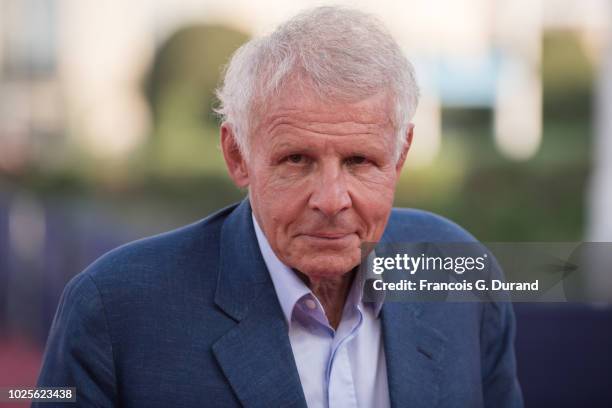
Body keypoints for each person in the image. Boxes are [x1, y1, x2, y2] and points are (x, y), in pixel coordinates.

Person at [36, 6, 523, 408]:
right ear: (237, 155)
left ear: (400, 156)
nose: (331, 200)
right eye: (296, 160)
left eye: (360, 161)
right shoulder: (115, 309)